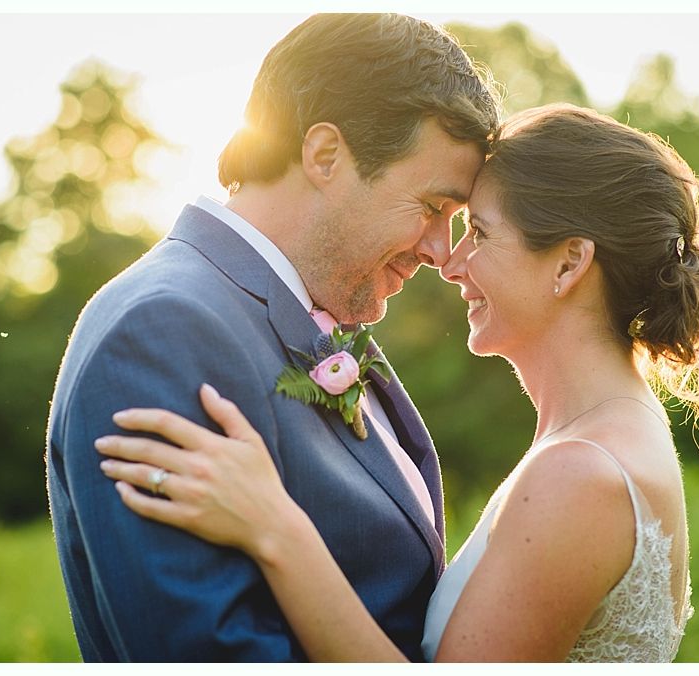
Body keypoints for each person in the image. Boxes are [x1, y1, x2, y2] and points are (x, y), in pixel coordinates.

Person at [95, 103, 699, 662]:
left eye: (478, 230)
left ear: (568, 265)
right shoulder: (607, 433)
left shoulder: (580, 475)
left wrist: (275, 528)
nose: (449, 260)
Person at [45, 13, 501, 661]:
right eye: (433, 209)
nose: (440, 251)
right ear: (324, 155)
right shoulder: (160, 331)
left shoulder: (310, 308)